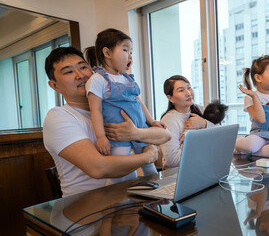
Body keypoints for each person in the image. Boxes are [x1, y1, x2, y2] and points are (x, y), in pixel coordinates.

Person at [43, 47, 170, 197]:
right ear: (54, 85)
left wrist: (135, 133)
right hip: (88, 207)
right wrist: (147, 157)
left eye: (83, 67)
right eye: (69, 72)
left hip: (129, 196)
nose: (80, 75)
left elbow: (164, 135)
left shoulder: (113, 105)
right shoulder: (59, 117)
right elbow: (98, 168)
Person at [84, 28, 164, 181]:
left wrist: (152, 121)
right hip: (118, 134)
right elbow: (96, 110)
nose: (130, 56)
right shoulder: (97, 80)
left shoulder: (127, 79)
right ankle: (122, 201)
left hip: (139, 128)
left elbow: (139, 102)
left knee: (149, 165)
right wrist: (101, 136)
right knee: (123, 170)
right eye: (126, 50)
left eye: (131, 52)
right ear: (107, 53)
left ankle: (157, 195)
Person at [159, 75, 217, 169]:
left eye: (189, 87)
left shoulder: (200, 109)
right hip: (178, 175)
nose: (188, 93)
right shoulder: (168, 120)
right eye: (181, 90)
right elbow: (172, 161)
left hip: (203, 168)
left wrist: (204, 124)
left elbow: (220, 138)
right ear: (170, 98)